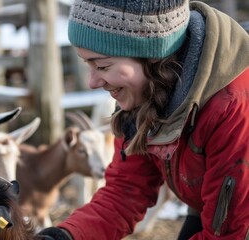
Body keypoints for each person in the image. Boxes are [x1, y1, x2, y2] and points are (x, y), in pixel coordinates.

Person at [37, 0, 249, 239]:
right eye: (87, 64)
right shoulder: (147, 92)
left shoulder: (231, 107)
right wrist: (65, 236)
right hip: (211, 206)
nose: (92, 82)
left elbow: (229, 233)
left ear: (153, 55)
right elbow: (125, 192)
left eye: (103, 66)